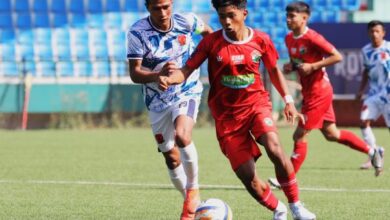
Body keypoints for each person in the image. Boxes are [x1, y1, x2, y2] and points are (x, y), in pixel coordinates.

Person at [159, 1, 316, 219]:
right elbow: (186, 70)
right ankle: (278, 209)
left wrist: (288, 100)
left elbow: (273, 70)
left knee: (275, 148)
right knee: (249, 179)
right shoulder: (211, 43)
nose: (226, 22)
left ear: (244, 13)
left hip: (256, 106)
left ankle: (297, 207)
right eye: (222, 16)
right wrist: (169, 78)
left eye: (231, 15)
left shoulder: (261, 40)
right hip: (227, 119)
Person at [267, 1, 384, 189]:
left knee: (299, 135)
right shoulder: (289, 39)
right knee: (332, 134)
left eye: (292, 16)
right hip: (309, 93)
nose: (288, 20)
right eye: (287, 16)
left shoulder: (313, 37)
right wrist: (291, 66)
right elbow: (297, 62)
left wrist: (313, 66)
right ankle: (372, 151)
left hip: (319, 92)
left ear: (304, 18)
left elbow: (337, 56)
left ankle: (286, 180)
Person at [126, 0, 213, 219]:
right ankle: (192, 203)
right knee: (171, 157)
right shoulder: (137, 33)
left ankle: (193, 189)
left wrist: (201, 61)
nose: (163, 12)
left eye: (166, 6)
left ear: (172, 4)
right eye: (156, 8)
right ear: (148, 8)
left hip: (187, 89)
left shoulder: (188, 21)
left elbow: (210, 36)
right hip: (157, 101)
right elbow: (135, 73)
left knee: (183, 136)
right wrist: (158, 76)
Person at [356, 20, 388, 169]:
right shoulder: (365, 51)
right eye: (372, 31)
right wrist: (361, 90)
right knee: (363, 121)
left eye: (377, 31)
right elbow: (366, 71)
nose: (375, 34)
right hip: (374, 94)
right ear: (368, 33)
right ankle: (374, 153)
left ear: (383, 33)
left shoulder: (388, 48)